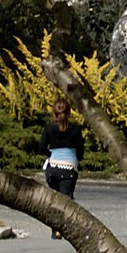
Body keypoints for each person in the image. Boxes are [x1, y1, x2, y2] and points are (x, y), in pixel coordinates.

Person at [41, 96, 86, 240]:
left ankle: (55, 230)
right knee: (67, 198)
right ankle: (66, 228)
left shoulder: (49, 129)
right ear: (69, 113)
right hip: (69, 169)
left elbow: (41, 147)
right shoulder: (76, 129)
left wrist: (50, 155)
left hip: (53, 167)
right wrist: (77, 158)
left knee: (54, 199)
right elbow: (80, 150)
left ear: (54, 114)